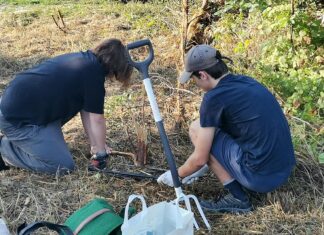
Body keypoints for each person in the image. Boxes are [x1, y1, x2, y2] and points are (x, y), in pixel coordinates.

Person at [157, 44, 295, 213]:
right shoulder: (246, 81)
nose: (196, 84)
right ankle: (222, 166)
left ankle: (238, 199)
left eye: (194, 80)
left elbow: (200, 158)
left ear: (203, 75)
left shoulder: (213, 98)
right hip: (284, 169)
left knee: (196, 130)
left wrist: (177, 175)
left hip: (260, 177)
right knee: (201, 127)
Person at [0, 38, 133, 175]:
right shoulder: (93, 75)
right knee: (62, 165)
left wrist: (96, 145)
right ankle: (4, 150)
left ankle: (29, 143)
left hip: (31, 109)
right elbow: (96, 119)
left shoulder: (85, 62)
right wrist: (101, 154)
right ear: (117, 67)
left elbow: (87, 111)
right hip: (16, 119)